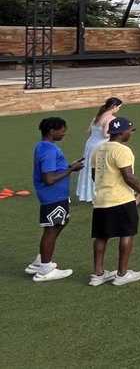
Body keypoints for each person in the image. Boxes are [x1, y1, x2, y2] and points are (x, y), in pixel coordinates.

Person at [90, 117, 140, 286]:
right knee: (126, 233)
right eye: (130, 131)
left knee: (101, 236)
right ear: (122, 132)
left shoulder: (98, 149)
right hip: (121, 199)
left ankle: (98, 274)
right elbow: (128, 176)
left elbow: (94, 176)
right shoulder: (123, 150)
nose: (131, 133)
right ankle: (122, 274)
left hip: (101, 200)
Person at [27, 117, 83, 282]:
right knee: (52, 229)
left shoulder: (43, 146)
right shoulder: (50, 150)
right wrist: (71, 169)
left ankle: (39, 262)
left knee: (59, 224)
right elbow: (49, 179)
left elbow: (52, 171)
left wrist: (67, 167)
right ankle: (45, 269)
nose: (64, 133)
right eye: (62, 129)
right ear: (52, 131)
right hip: (53, 196)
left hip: (54, 196)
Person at [77, 97, 122, 203]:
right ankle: (98, 193)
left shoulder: (97, 117)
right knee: (99, 169)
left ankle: (88, 194)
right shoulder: (111, 118)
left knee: (89, 167)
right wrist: (116, 132)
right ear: (114, 107)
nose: (119, 109)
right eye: (119, 107)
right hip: (99, 146)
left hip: (90, 144)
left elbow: (88, 131)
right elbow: (105, 134)